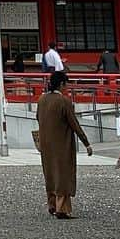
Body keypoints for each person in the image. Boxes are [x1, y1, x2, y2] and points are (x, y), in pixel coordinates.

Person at [36, 70, 93, 218]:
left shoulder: (42, 99)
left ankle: (52, 204)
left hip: (46, 143)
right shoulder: (64, 101)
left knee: (50, 173)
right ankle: (62, 208)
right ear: (62, 84)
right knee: (63, 174)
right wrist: (86, 142)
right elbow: (74, 124)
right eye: (66, 84)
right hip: (62, 143)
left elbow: (38, 118)